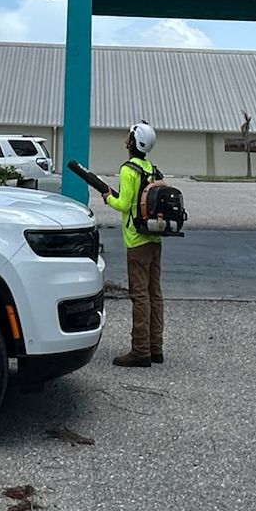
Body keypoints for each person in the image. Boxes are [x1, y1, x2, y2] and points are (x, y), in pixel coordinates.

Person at [107, 123, 164, 368]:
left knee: (139, 295)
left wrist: (107, 197)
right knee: (154, 294)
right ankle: (155, 348)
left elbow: (123, 204)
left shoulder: (128, 170)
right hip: (155, 238)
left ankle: (140, 350)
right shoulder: (152, 169)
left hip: (136, 240)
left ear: (134, 142)